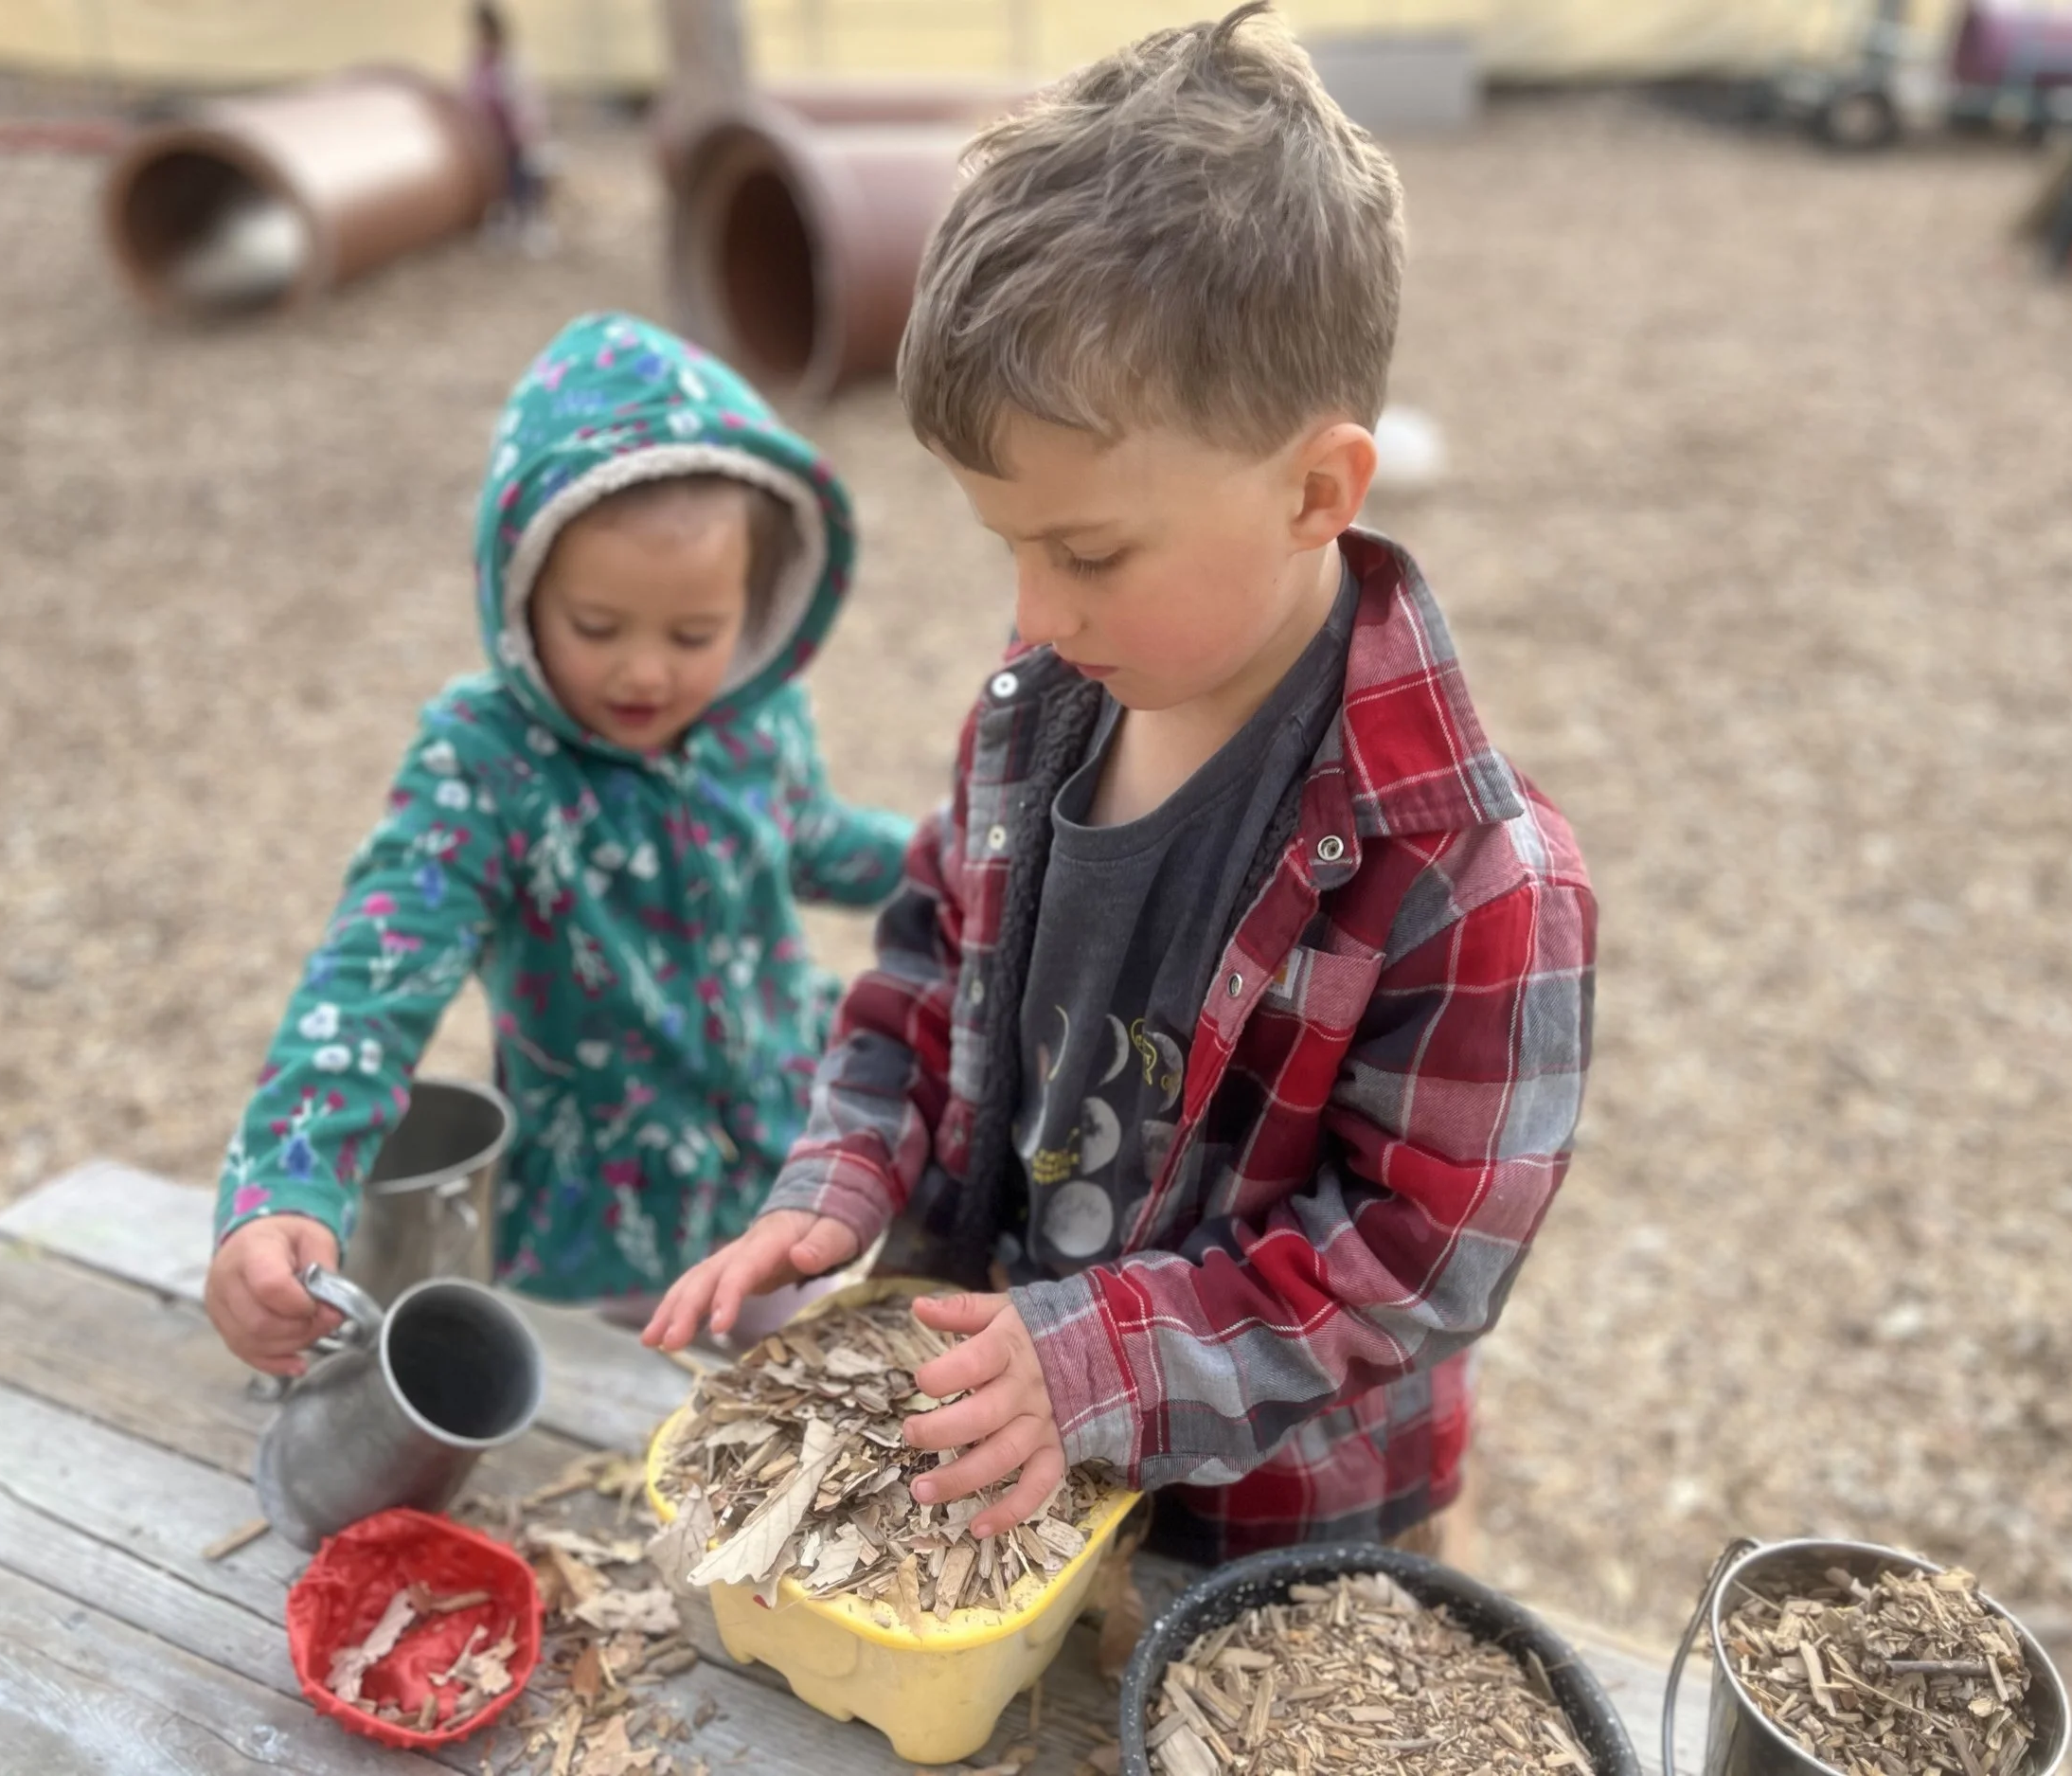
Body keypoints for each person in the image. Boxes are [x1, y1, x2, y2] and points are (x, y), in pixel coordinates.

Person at [643, 4, 1596, 1566]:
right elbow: (914, 988)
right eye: (1007, 546)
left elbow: (1413, 1269)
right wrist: (840, 1178)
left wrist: (1103, 1357)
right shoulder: (1037, 717)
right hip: (998, 1466)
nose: (1030, 616)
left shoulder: (1476, 883)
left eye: (1084, 552)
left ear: (1316, 490)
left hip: (1270, 1535)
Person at [206, 311, 912, 1374]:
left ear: (758, 606)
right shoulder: (486, 764)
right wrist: (282, 1186)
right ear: (519, 586)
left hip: (775, 1183)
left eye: (693, 634)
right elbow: (368, 982)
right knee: (604, 1442)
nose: (645, 674)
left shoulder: (751, 717)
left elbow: (806, 838)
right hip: (593, 1243)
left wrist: (962, 862)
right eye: (596, 627)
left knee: (767, 1419)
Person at [464, 2, 555, 256]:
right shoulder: (477, 62)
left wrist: (529, 132)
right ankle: (507, 226)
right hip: (488, 137)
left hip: (515, 136)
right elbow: (470, 96)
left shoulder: (512, 61)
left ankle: (532, 227)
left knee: (524, 182)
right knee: (499, 184)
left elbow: (526, 100)